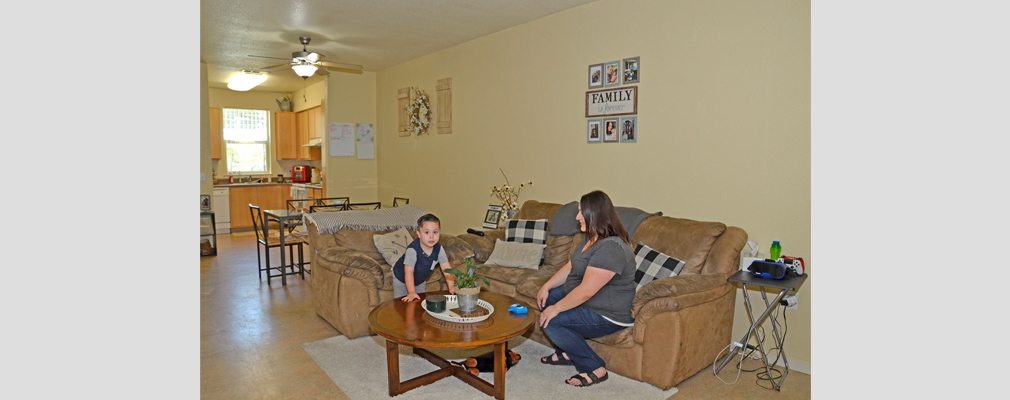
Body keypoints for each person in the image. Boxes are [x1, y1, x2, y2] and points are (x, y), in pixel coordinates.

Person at [536, 190, 637, 387]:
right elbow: (571, 265)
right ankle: (566, 351)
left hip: (607, 313)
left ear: (595, 214)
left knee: (552, 321)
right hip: (591, 301)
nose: (577, 216)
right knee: (546, 300)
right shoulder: (591, 237)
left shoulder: (611, 248)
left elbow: (586, 291)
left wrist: (556, 309)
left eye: (581, 211)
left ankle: (593, 368)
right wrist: (546, 286)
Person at [392, 214, 456, 301]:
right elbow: (409, 273)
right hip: (401, 277)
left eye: (435, 232)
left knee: (419, 301)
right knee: (401, 303)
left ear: (440, 232)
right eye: (427, 232)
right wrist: (411, 292)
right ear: (419, 234)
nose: (431, 236)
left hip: (420, 280)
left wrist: (452, 286)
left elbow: (446, 268)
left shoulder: (439, 249)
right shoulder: (413, 249)